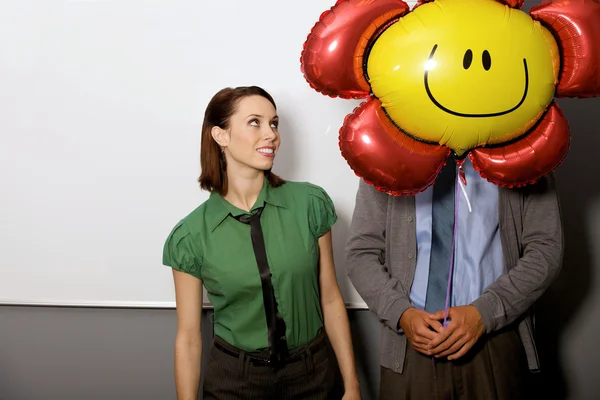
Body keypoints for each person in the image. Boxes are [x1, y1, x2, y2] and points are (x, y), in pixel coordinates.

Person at [162, 86, 361, 400]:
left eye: (274, 123)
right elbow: (188, 338)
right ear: (220, 136)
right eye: (255, 122)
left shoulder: (310, 204)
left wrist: (351, 387)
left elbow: (331, 298)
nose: (271, 134)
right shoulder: (190, 236)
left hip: (313, 374)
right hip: (235, 381)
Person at [345, 156, 563, 399]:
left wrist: (485, 313)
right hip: (409, 348)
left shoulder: (523, 152)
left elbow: (546, 249)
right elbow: (361, 254)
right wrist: (401, 313)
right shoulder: (386, 155)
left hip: (493, 342)